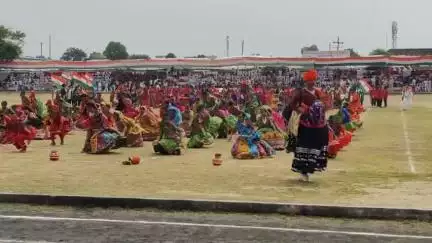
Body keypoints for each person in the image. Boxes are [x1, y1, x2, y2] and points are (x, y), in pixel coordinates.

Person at [289, 69, 329, 182]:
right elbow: (292, 105)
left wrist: (322, 110)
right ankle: (303, 171)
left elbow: (327, 104)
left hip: (319, 125)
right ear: (305, 81)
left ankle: (312, 167)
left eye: (313, 80)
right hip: (306, 125)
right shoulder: (300, 92)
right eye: (310, 80)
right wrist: (301, 111)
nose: (312, 82)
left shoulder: (319, 92)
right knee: (304, 147)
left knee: (318, 145)